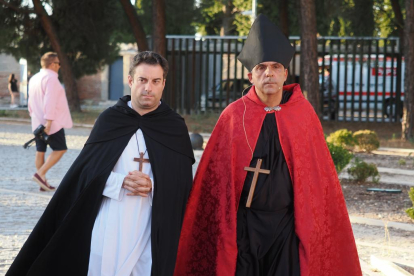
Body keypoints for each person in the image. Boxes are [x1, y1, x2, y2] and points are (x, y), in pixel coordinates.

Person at [174, 14, 361, 276]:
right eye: (262, 67)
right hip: (243, 227)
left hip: (287, 225)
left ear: (286, 72)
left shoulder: (303, 115)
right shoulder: (232, 116)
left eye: (275, 67)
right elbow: (214, 184)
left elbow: (318, 182)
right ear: (251, 75)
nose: (269, 73)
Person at [7, 51, 195, 276]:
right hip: (108, 225)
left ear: (163, 83)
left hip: (152, 227)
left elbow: (183, 183)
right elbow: (85, 175)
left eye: (155, 81)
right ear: (130, 80)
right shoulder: (110, 120)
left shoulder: (173, 127)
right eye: (142, 80)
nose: (148, 88)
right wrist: (120, 181)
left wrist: (154, 185)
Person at [27, 52, 73, 192]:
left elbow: (30, 101)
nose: (59, 66)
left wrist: (34, 117)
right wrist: (49, 121)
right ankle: (40, 175)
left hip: (37, 121)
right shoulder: (51, 79)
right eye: (58, 63)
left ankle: (43, 182)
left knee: (40, 150)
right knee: (60, 149)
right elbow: (50, 101)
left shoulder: (34, 78)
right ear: (52, 64)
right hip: (51, 122)